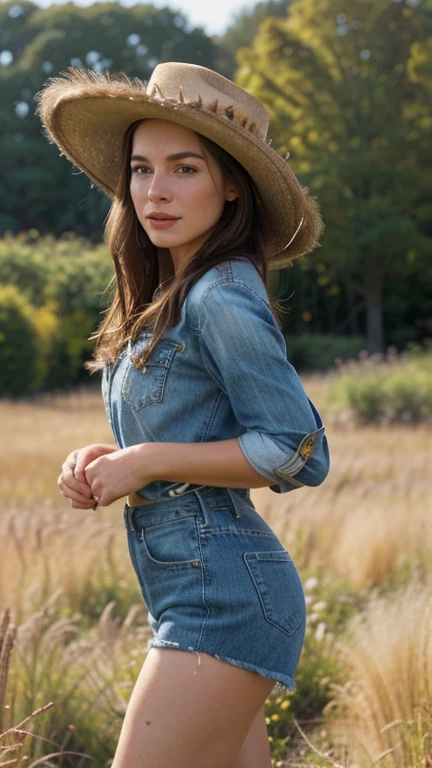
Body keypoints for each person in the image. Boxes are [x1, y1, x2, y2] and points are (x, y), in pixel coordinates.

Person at [35, 62, 330, 768]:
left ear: (232, 186)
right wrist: (109, 457)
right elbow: (190, 432)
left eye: (184, 168)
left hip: (225, 599)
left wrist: (148, 460)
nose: (155, 191)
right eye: (141, 169)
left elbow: (297, 450)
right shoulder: (170, 294)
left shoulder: (220, 294)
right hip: (198, 591)